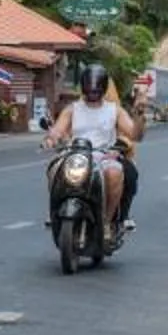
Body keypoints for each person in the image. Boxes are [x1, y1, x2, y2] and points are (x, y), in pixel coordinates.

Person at [46, 63, 141, 231]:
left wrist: (140, 116)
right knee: (54, 169)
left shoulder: (115, 110)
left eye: (96, 91)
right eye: (89, 91)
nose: (92, 94)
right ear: (83, 88)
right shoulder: (72, 109)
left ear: (103, 89)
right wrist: (51, 139)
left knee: (114, 173)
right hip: (75, 154)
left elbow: (134, 134)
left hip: (103, 155)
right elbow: (58, 130)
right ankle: (53, 212)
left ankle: (107, 221)